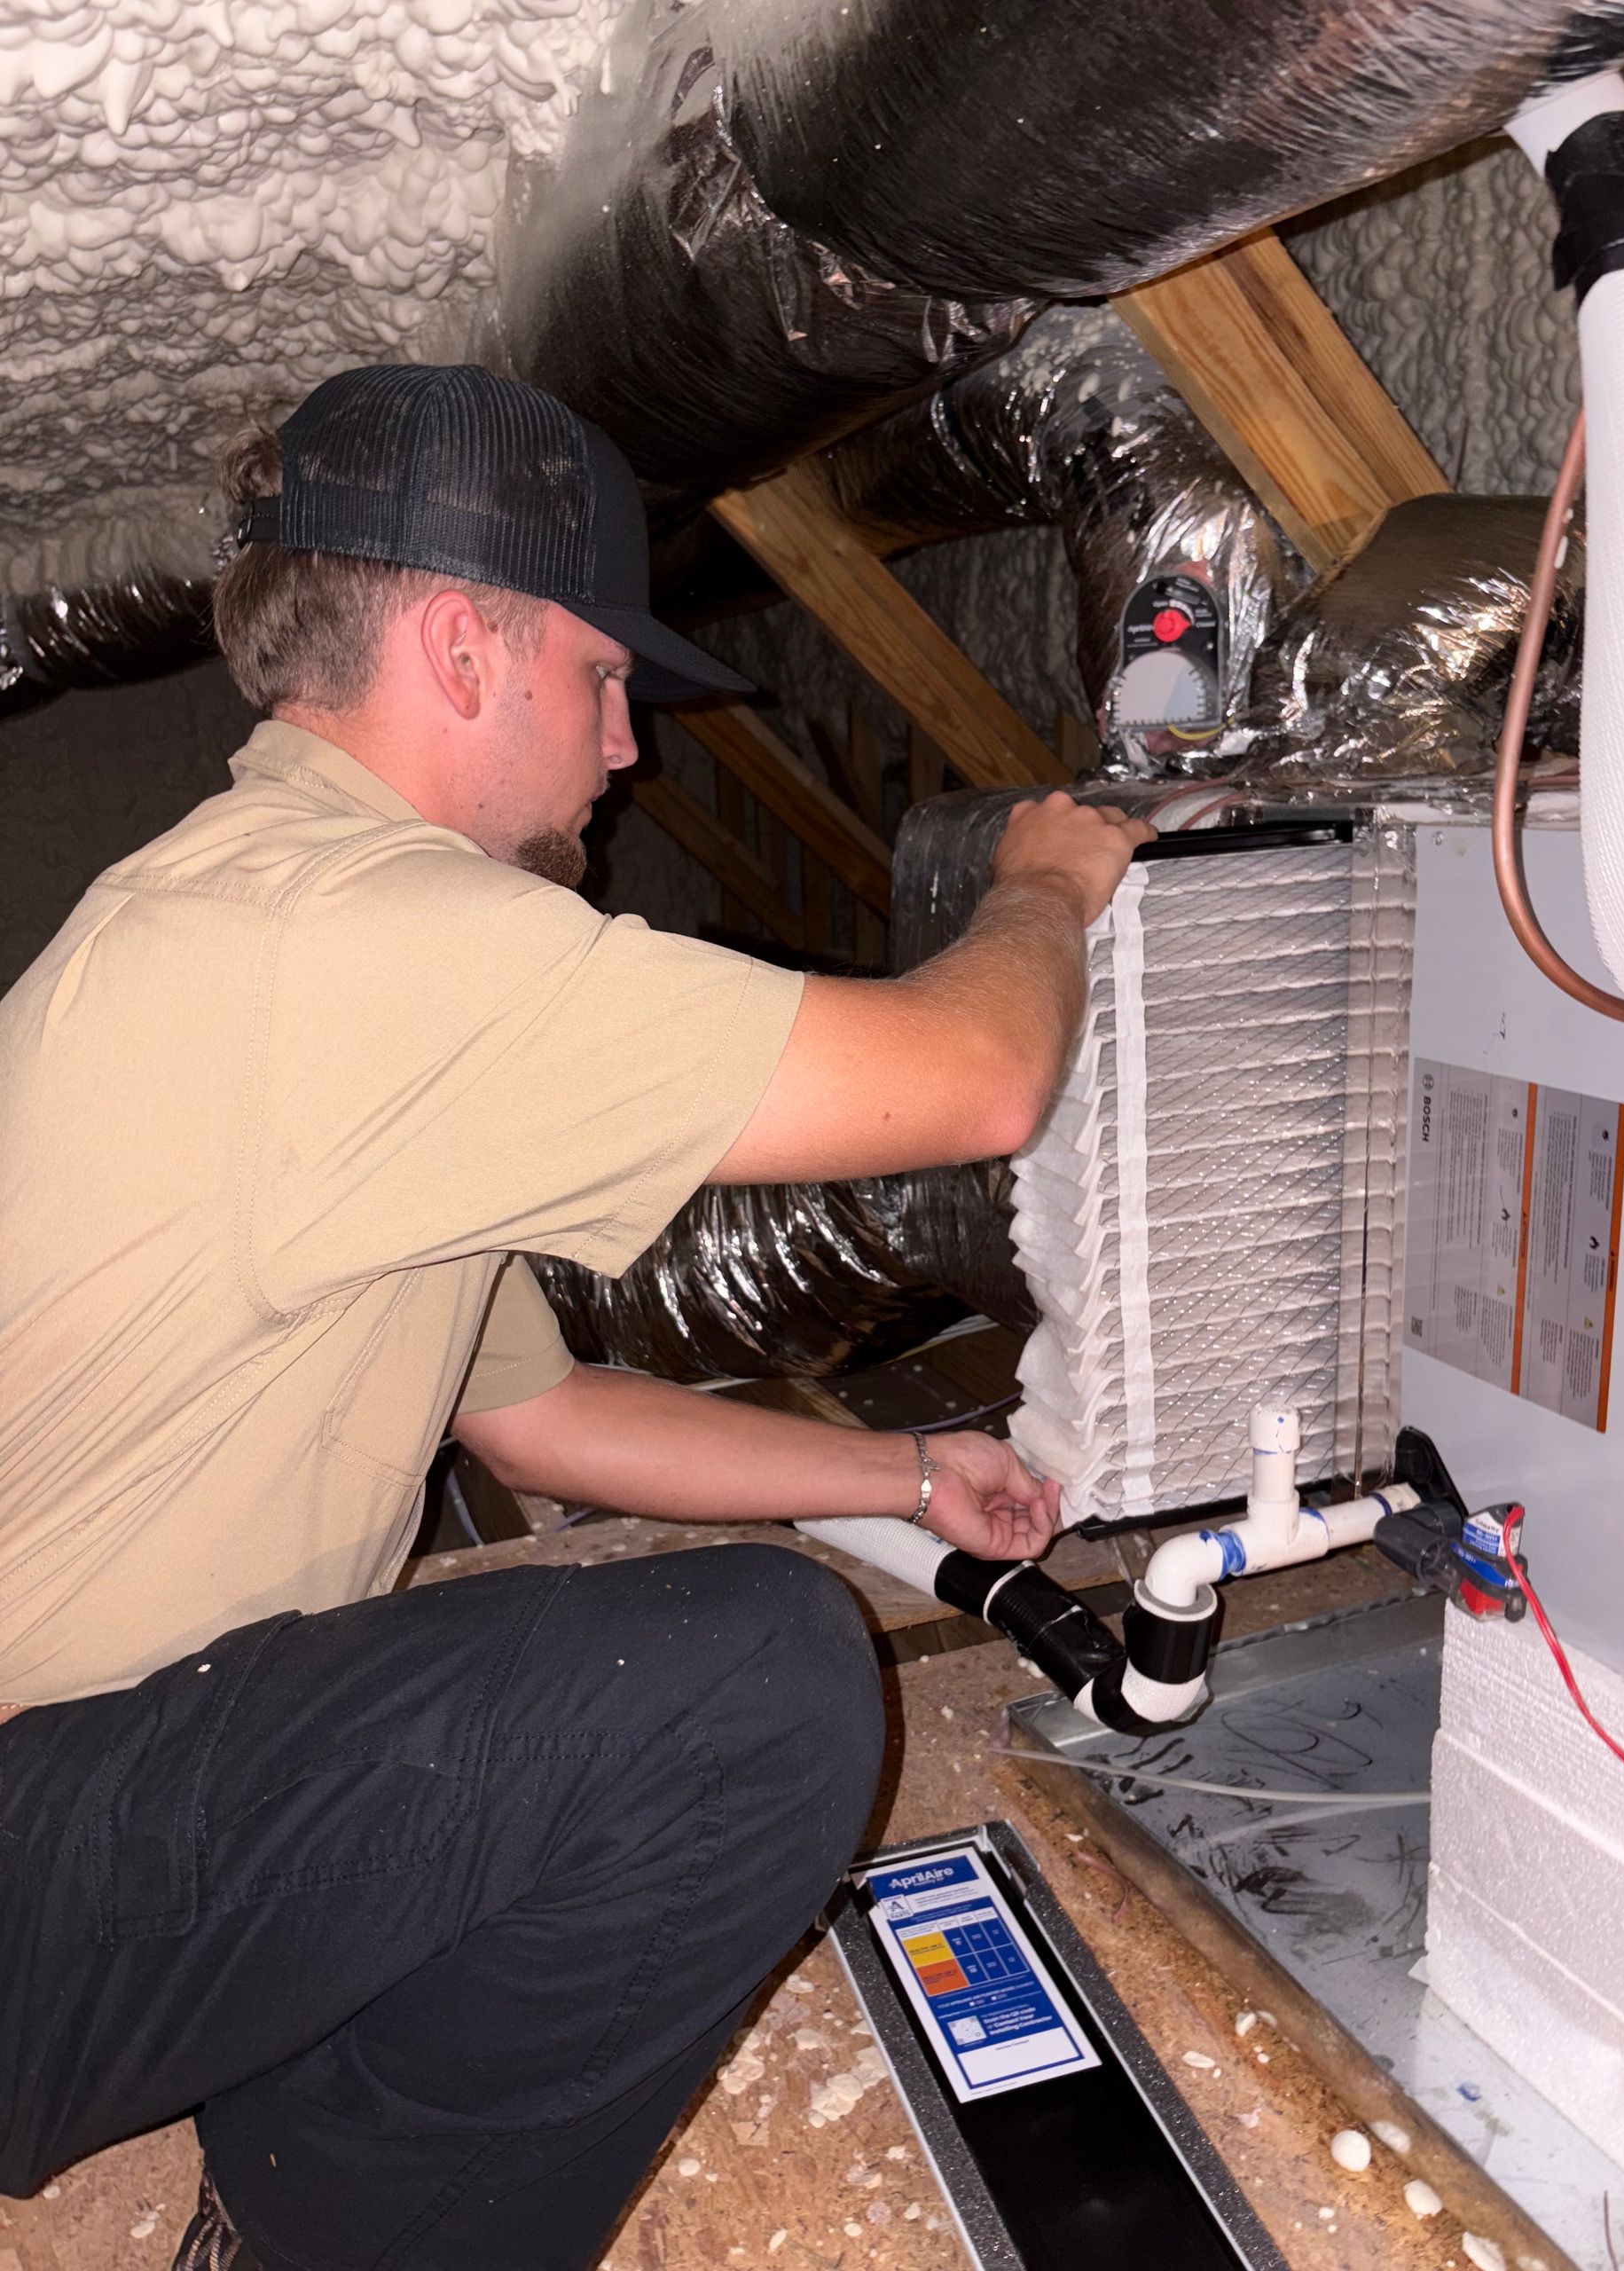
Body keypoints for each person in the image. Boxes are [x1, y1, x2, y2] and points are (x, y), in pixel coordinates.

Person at [0, 365, 1152, 2271]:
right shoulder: (347, 937)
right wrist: (1045, 886)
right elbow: (971, 1076)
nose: (629, 746)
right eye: (604, 676)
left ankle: (292, 2168)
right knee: (743, 1690)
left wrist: (896, 1466)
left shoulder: (260, 929)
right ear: (464, 646)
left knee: (504, 1699)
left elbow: (533, 1419)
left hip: (98, 1787)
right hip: (39, 1847)